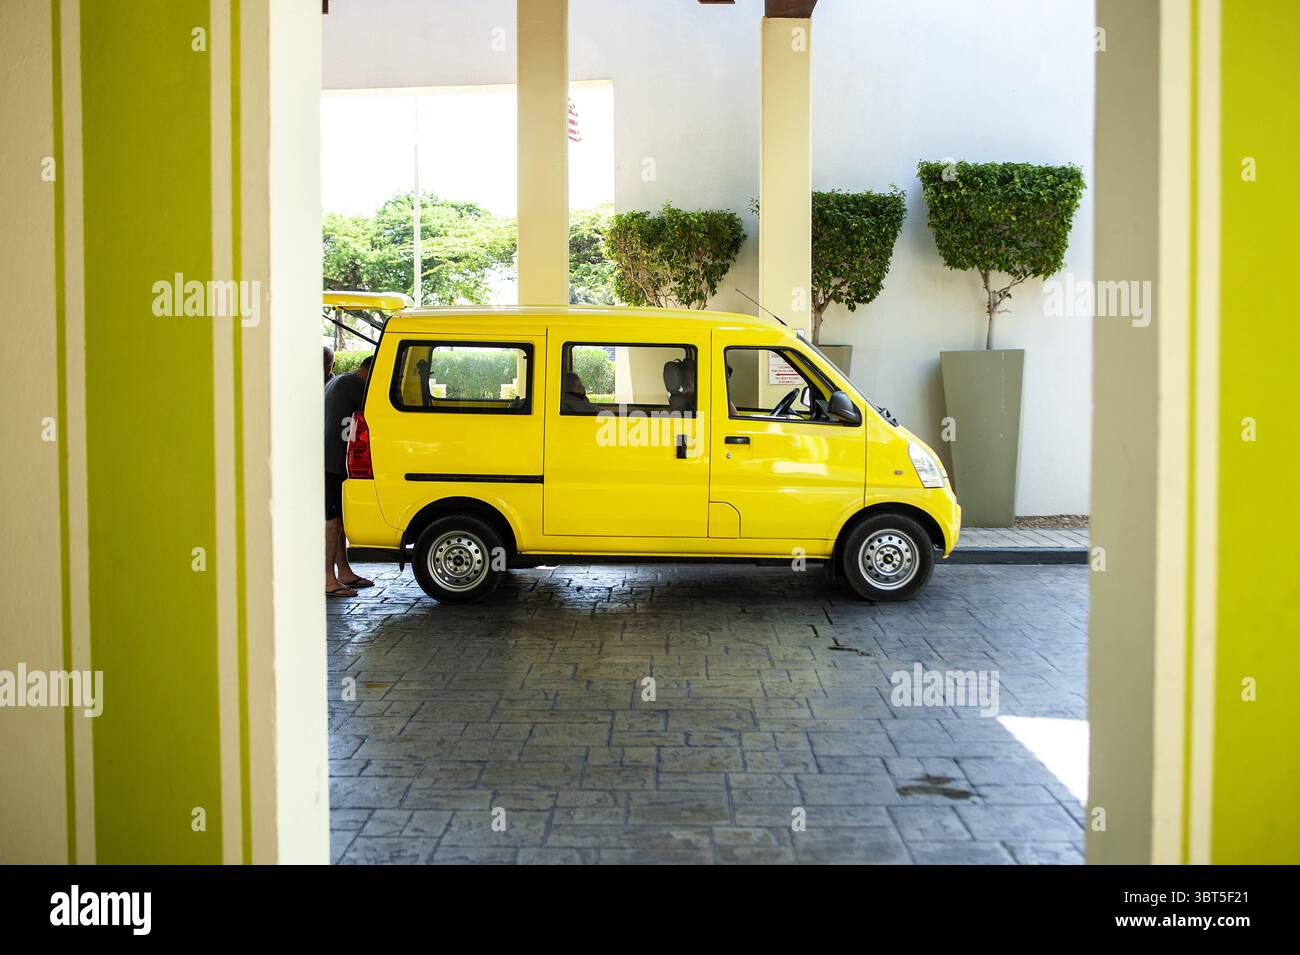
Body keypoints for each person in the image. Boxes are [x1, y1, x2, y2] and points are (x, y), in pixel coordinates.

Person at [324, 354, 374, 596]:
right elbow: (381, 408)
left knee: (338, 518)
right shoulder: (355, 385)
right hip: (331, 462)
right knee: (331, 520)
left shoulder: (339, 381)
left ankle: (343, 572)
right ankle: (327, 580)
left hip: (330, 460)